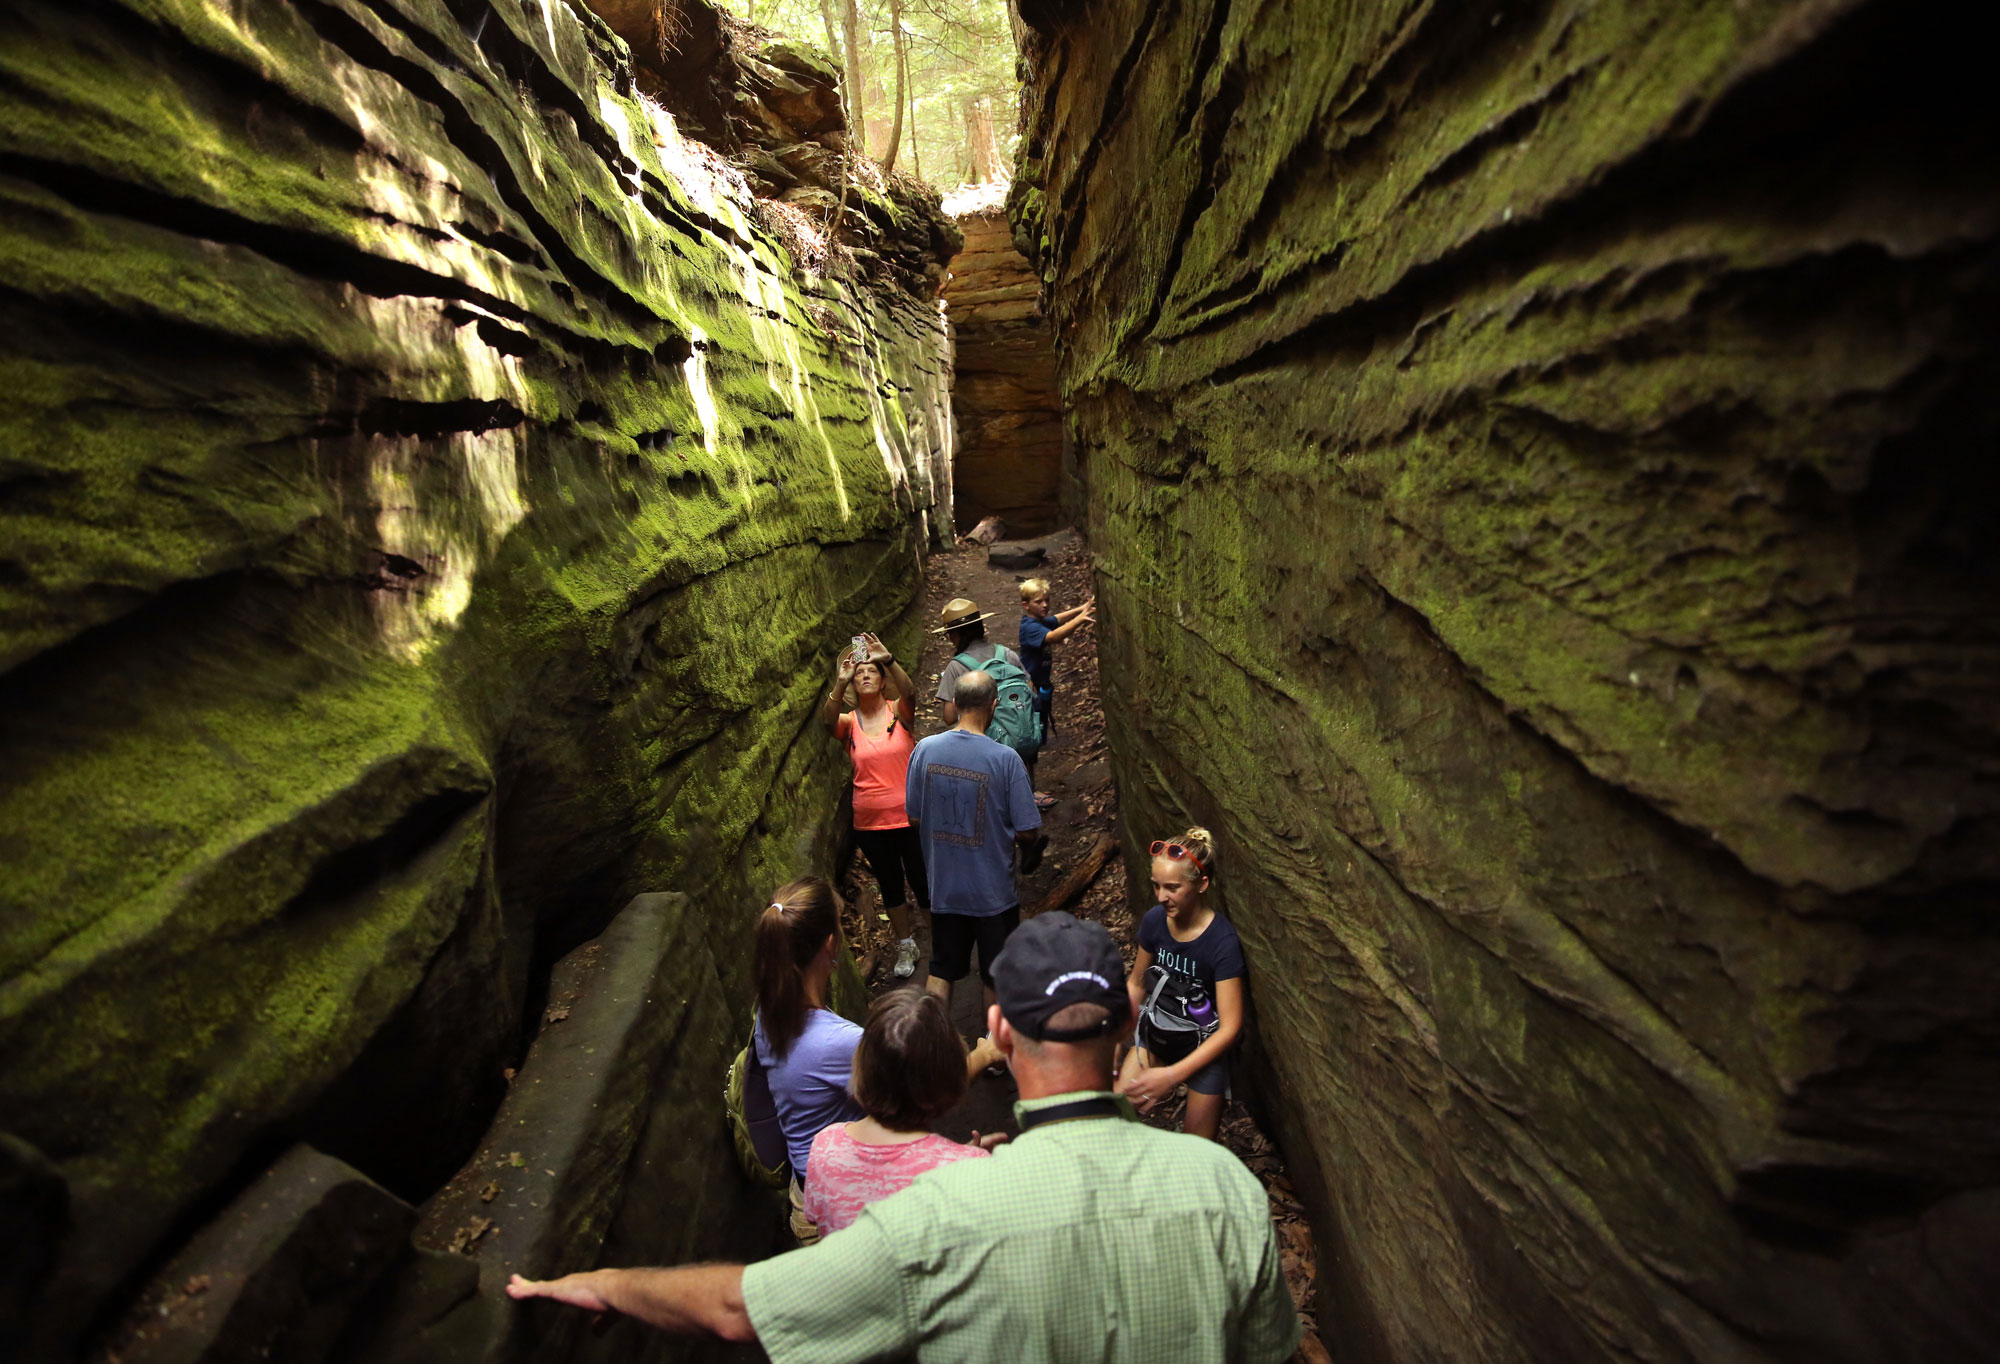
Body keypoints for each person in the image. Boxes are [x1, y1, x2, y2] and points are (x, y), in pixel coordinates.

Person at [506, 912, 1301, 1364]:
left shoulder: (939, 1215)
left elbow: (734, 1308)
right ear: (1126, 1023)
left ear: (996, 1028)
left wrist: (609, 1282)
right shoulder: (1224, 1187)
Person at [801, 988, 1001, 1235]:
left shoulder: (824, 1147)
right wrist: (960, 1162)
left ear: (863, 1066)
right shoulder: (971, 1172)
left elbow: (818, 1218)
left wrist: (956, 1159)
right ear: (949, 1078)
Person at [905, 670, 1043, 1013]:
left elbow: (914, 816)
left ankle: (933, 1046)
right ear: (993, 706)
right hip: (993, 892)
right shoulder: (1005, 759)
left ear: (955, 703)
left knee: (941, 969)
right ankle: (992, 1056)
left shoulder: (924, 750)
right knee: (995, 974)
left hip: (945, 888)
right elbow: (1028, 829)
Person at [752, 878, 863, 1241]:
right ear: (831, 945)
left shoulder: (767, 1014)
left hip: (805, 1196)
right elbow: (917, 1094)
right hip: (841, 1211)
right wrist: (985, 1054)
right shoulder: (840, 1042)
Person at [1117, 826, 1245, 1141]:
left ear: (1202, 885)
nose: (1161, 897)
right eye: (1156, 886)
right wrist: (1112, 1042)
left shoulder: (1222, 943)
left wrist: (1172, 1076)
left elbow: (1230, 1027)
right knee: (1112, 1117)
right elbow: (1136, 983)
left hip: (1202, 1043)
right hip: (1157, 1030)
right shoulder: (1154, 922)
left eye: (1172, 888)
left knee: (1196, 1151)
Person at [821, 631, 925, 978]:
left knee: (923, 880)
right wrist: (839, 683)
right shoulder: (850, 724)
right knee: (891, 884)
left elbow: (910, 691)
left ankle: (941, 937)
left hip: (911, 817)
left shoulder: (900, 712)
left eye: (872, 671)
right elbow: (826, 722)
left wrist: (889, 659)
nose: (866, 674)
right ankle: (906, 943)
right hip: (870, 822)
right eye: (860, 671)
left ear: (882, 681)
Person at [1016, 577, 1093, 770]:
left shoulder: (1039, 620)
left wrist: (1081, 608)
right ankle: (1028, 787)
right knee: (1030, 738)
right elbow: (1054, 637)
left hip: (1040, 689)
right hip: (1029, 690)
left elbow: (1057, 619)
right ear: (1026, 605)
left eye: (1047, 600)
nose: (1045, 605)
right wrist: (1080, 619)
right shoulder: (1030, 627)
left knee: (1038, 732)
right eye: (1039, 602)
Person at [932, 596, 1023, 728]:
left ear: (955, 634)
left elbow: (949, 717)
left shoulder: (956, 667)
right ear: (980, 626)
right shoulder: (1007, 654)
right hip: (1018, 734)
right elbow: (1031, 691)